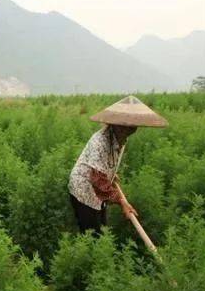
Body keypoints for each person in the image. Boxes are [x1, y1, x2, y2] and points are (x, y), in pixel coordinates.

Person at [68, 96, 168, 235]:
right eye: (126, 128)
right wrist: (122, 203)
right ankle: (89, 254)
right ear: (116, 125)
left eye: (132, 128)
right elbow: (97, 180)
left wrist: (111, 175)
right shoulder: (100, 142)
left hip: (97, 188)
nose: (129, 131)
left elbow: (105, 165)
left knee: (101, 227)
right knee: (91, 233)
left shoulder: (120, 139)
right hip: (84, 188)